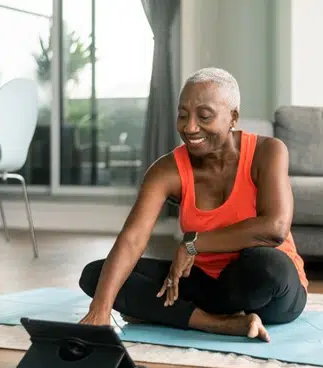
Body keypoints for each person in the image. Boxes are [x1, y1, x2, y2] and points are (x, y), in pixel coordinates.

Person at [79, 67, 309, 342]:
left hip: (265, 290)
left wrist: (194, 243)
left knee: (267, 264)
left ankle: (171, 313)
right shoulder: (166, 170)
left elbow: (275, 228)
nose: (189, 127)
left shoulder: (267, 151)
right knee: (97, 276)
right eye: (183, 115)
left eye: (204, 116)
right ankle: (218, 324)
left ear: (233, 117)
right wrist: (100, 310)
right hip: (203, 282)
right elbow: (133, 239)